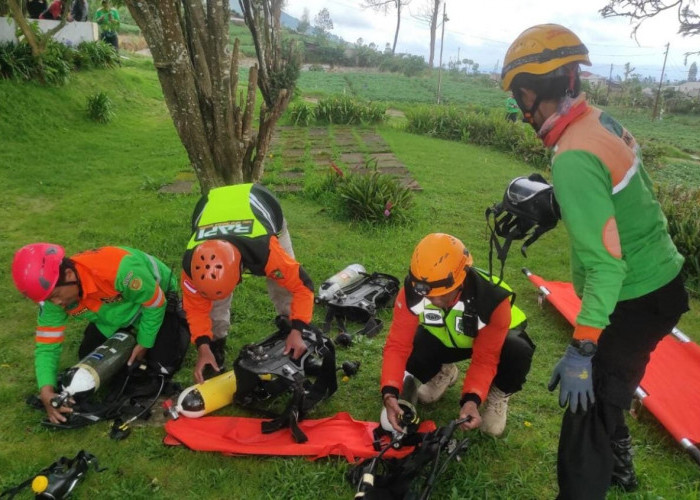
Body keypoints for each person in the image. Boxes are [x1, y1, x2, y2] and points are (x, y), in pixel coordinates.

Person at [501, 24, 690, 499]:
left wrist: (582, 348)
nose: (522, 114)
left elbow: (607, 265)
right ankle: (621, 463)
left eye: (521, 100)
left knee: (586, 414)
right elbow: (620, 199)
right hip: (662, 281)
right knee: (612, 388)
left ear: (533, 92)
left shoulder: (572, 156)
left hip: (633, 294)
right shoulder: (599, 121)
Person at [11, 244, 190, 425]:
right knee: (88, 359)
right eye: (49, 299)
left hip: (157, 303)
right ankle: (128, 336)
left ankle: (158, 332)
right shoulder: (54, 295)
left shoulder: (119, 269)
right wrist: (46, 391)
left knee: (162, 364)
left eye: (56, 295)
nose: (56, 303)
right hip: (111, 319)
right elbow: (47, 344)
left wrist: (144, 343)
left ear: (69, 275)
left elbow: (155, 303)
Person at [380, 233, 534, 437]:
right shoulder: (412, 292)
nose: (434, 301)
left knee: (518, 349)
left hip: (497, 341)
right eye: (428, 294)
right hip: (448, 338)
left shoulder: (492, 300)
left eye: (443, 293)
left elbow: (485, 358)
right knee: (415, 347)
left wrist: (472, 399)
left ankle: (498, 392)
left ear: (461, 279)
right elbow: (397, 345)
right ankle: (445, 370)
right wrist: (389, 392)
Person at [181, 183, 315, 384]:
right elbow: (195, 308)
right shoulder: (192, 266)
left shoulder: (266, 251)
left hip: (260, 202)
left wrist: (298, 329)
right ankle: (214, 347)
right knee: (212, 306)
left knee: (283, 286)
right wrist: (203, 345)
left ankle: (292, 330)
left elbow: (302, 285)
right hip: (213, 205)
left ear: (240, 271)